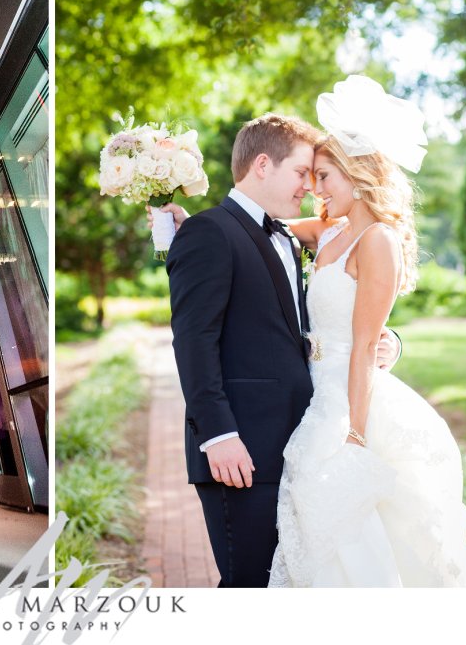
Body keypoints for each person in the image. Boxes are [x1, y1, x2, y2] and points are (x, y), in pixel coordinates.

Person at [163, 109, 400, 587]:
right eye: (301, 172)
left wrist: (386, 340)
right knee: (248, 584)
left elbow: (316, 322)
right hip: (241, 448)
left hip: (301, 439)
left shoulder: (291, 239)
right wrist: (217, 434)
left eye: (317, 176)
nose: (309, 187)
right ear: (264, 165)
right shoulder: (211, 232)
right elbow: (194, 340)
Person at [264, 76, 466, 586]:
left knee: (353, 528)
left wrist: (356, 436)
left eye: (323, 176)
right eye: (311, 177)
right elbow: (257, 225)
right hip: (316, 388)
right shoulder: (330, 230)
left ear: (357, 174)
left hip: (349, 400)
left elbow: (365, 345)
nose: (314, 189)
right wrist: (186, 219)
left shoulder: (377, 240)